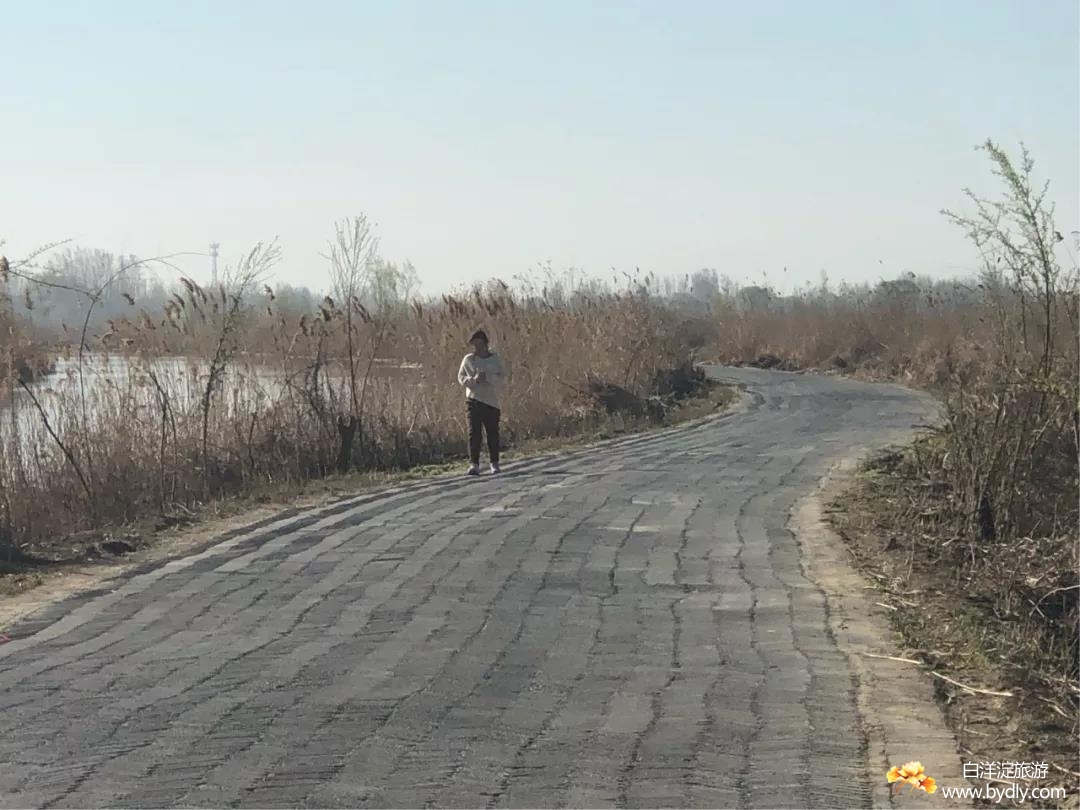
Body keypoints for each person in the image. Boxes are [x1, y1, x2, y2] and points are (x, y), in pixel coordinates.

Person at [457, 329, 504, 476]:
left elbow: (501, 378)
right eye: (474, 345)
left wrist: (487, 377)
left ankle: (494, 463)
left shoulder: (494, 359)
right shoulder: (468, 360)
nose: (477, 348)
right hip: (473, 400)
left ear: (486, 344)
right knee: (474, 433)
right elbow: (461, 378)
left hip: (491, 402)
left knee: (492, 433)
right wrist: (473, 380)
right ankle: (474, 464)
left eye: (479, 345)